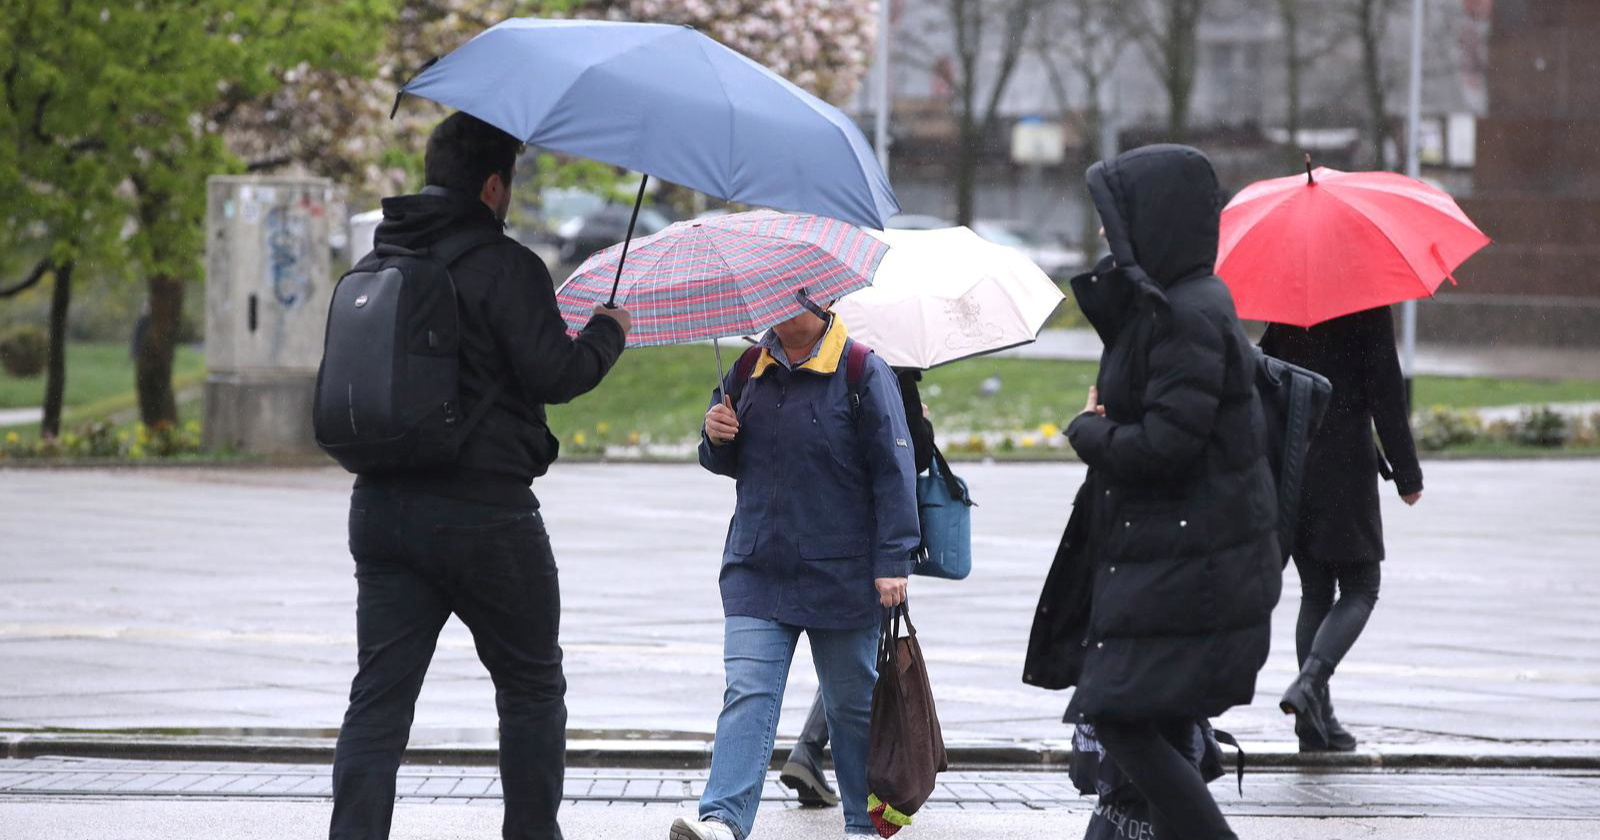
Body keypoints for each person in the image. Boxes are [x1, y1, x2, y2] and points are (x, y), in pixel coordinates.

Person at [328, 112, 632, 840]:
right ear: (495, 186)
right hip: (485, 514)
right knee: (530, 687)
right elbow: (554, 374)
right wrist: (607, 332)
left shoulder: (378, 265)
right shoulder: (507, 266)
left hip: (381, 509)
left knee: (378, 700)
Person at [1026, 144, 1282, 840]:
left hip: (1187, 566)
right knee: (1160, 731)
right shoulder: (1171, 306)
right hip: (1171, 559)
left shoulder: (1190, 314)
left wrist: (1090, 430)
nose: (1106, 233)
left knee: (1117, 717)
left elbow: (1169, 446)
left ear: (1155, 220)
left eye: (1117, 217)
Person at [672, 299, 921, 840]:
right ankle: (722, 819)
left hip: (842, 572)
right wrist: (715, 437)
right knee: (747, 693)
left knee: (852, 706)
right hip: (756, 566)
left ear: (822, 299)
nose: (775, 308)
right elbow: (728, 459)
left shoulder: (860, 369)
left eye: (790, 295)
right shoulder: (747, 368)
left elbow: (894, 470)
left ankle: (863, 823)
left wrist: (893, 561)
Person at [1261, 307, 1423, 752]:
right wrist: (1408, 475)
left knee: (1315, 592)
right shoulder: (1366, 306)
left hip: (1298, 462)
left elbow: (1266, 372)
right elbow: (1386, 392)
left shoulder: (1289, 304)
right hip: (1346, 464)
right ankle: (1310, 685)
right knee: (1361, 586)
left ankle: (1316, 725)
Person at [780, 369, 935, 807]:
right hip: (872, 543)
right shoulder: (884, 366)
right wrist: (921, 423)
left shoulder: (825, 359)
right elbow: (911, 455)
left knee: (856, 661)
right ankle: (874, 796)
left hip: (819, 534)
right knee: (867, 663)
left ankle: (810, 750)